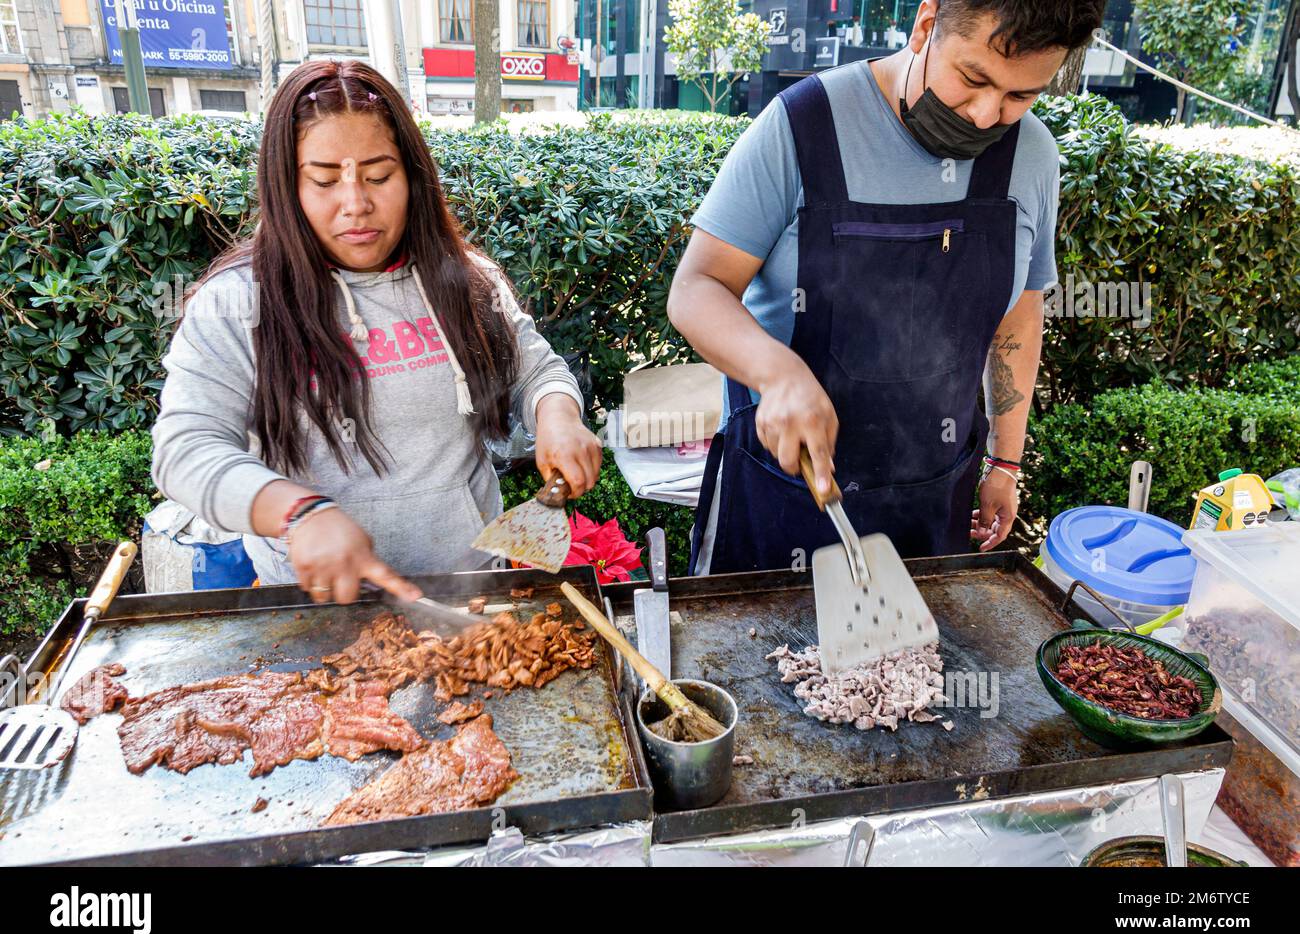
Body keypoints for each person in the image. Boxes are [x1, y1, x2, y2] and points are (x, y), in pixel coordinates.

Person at [668, 0, 1105, 575]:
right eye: (973, 78)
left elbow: (1018, 318)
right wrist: (778, 373)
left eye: (1020, 97)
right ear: (926, 25)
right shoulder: (803, 125)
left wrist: (1005, 462)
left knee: (920, 664)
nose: (985, 115)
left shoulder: (1031, 155)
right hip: (785, 497)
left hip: (934, 500)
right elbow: (698, 287)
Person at [152, 60, 603, 604]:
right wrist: (298, 513)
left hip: (470, 593)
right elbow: (186, 449)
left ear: (412, 175)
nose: (356, 203)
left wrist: (556, 412)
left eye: (379, 175)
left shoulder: (465, 281)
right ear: (286, 185)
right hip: (312, 609)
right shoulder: (237, 302)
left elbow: (536, 370)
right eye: (323, 179)